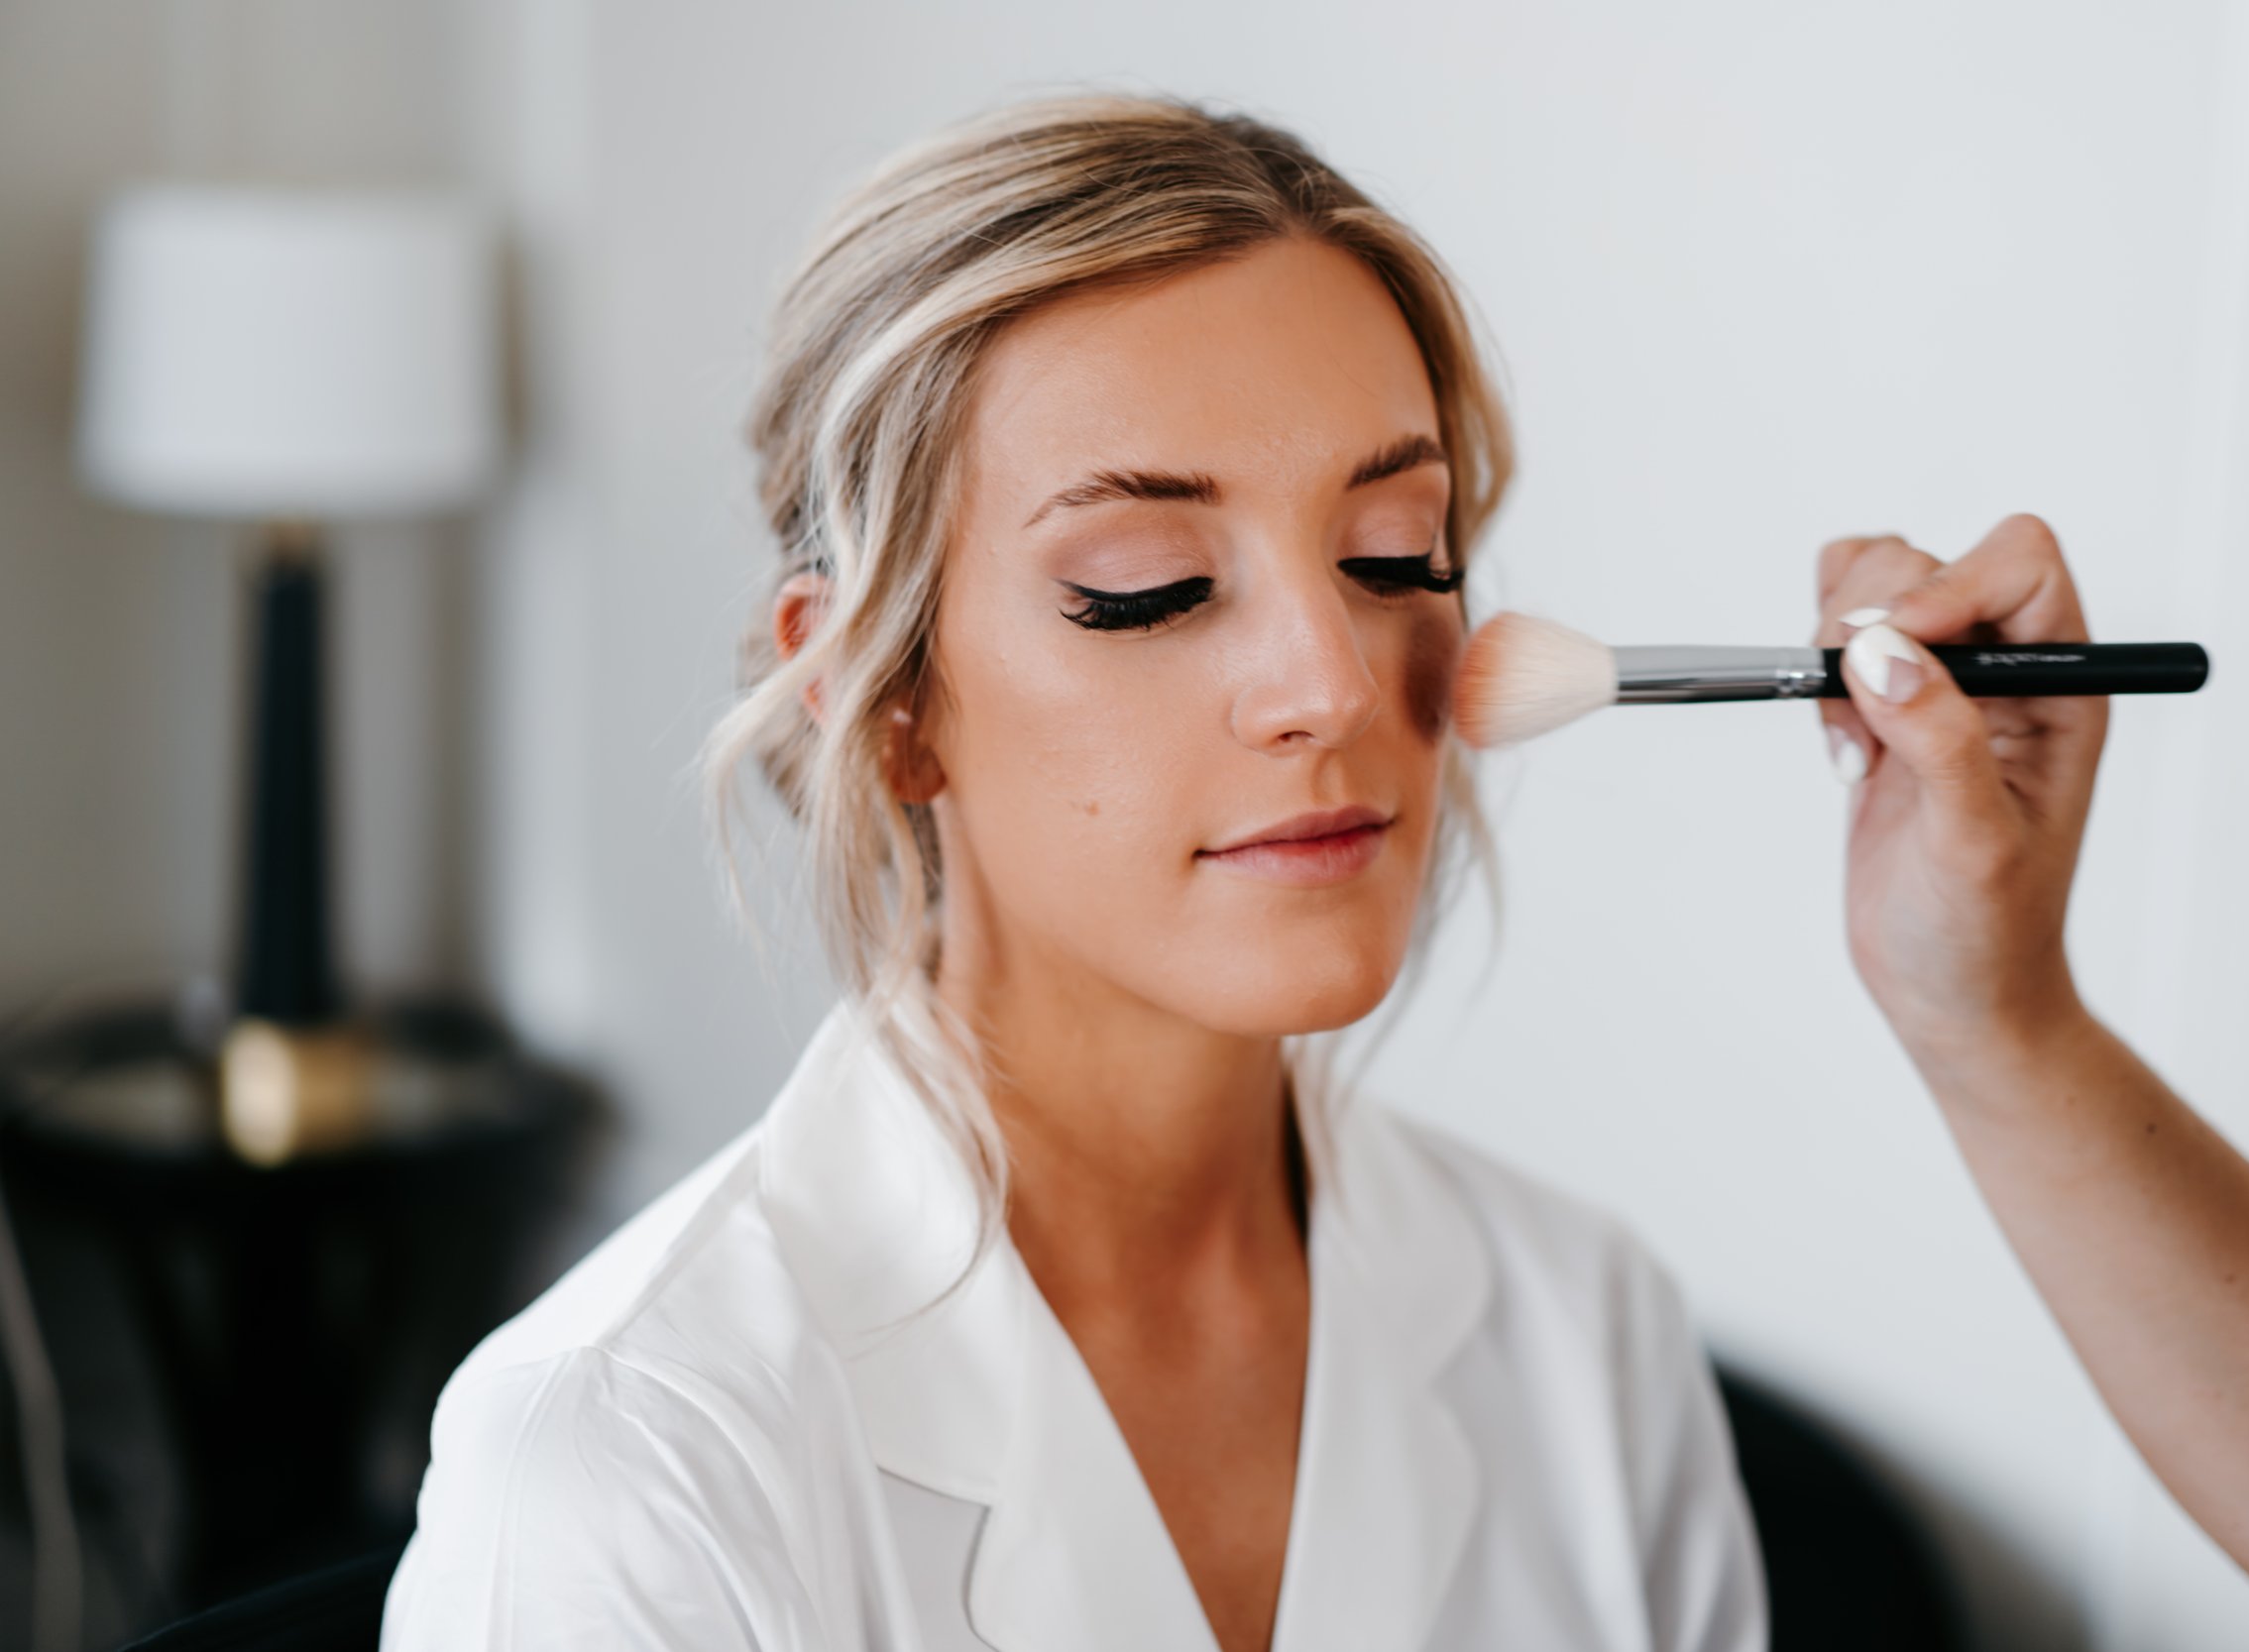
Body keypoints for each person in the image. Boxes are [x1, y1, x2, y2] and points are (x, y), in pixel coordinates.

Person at [380, 94, 1768, 1652]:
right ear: (883, 699)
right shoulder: (623, 1466)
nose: (1331, 679)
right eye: (1150, 588)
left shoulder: (1590, 1334)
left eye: (1391, 551)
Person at [1816, 518, 2249, 1652]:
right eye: (1382, 559)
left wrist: (1987, 1016)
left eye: (1406, 556)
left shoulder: (1587, 1328)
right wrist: (1992, 1017)